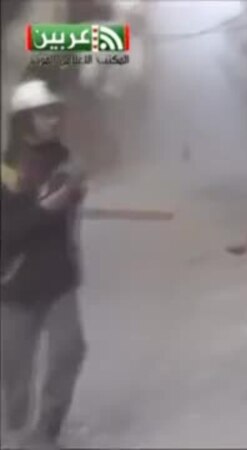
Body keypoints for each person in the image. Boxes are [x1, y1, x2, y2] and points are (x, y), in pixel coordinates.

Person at [1, 79, 87, 450]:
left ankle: (47, 430)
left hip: (58, 279)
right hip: (14, 284)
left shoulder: (66, 160)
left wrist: (72, 195)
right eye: (44, 113)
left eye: (55, 112)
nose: (54, 120)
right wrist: (46, 207)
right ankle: (16, 432)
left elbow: (69, 206)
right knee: (15, 369)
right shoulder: (6, 170)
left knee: (70, 349)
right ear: (25, 120)